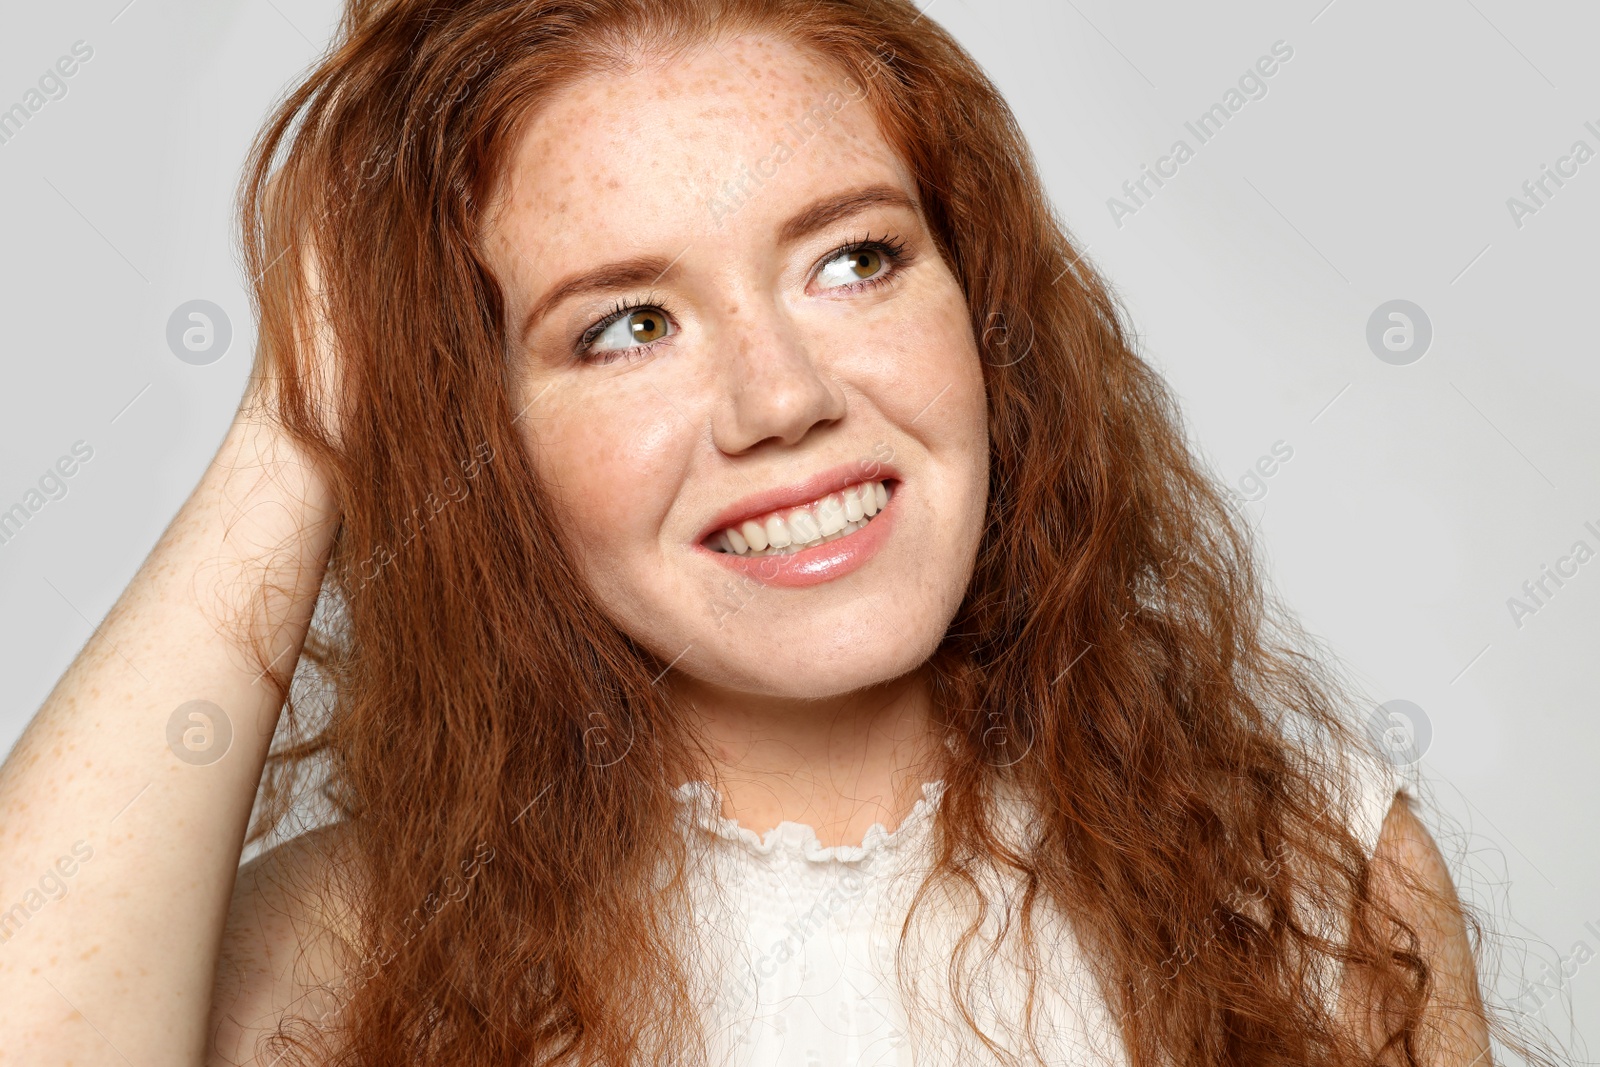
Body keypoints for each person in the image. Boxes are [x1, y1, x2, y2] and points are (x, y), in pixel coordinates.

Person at [0, 1, 1564, 1064]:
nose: (777, 398)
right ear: (483, 437)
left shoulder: (1304, 880)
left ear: (985, 306)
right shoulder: (352, 952)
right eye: (622, 328)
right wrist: (313, 407)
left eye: (854, 260)